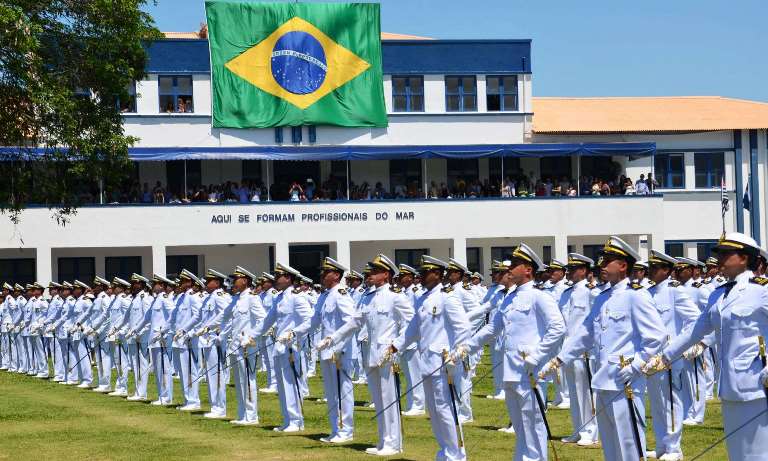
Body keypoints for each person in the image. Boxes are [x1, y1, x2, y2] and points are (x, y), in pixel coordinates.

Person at [540, 236, 667, 461]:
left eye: (608, 261)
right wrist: (559, 360)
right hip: (602, 379)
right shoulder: (602, 298)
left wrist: (637, 365)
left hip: (625, 381)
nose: (602, 266)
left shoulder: (635, 296)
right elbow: (585, 334)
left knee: (630, 445)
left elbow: (657, 336)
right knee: (610, 445)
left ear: (623, 265)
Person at [645, 232, 768, 460]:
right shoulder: (719, 294)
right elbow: (696, 329)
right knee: (737, 453)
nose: (720, 258)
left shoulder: (761, 290)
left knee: (758, 453)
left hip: (757, 385)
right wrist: (664, 357)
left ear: (744, 258)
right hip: (730, 386)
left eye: (725, 253)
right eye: (719, 253)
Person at [458, 244, 566, 461]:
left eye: (515, 265)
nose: (510, 269)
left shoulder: (539, 296)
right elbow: (492, 328)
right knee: (519, 423)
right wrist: (467, 346)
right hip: (511, 369)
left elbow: (558, 328)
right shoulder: (509, 297)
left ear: (528, 270)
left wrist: (537, 356)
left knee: (533, 421)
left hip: (529, 369)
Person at [388, 255, 472, 461]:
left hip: (443, 363)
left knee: (445, 409)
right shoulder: (423, 299)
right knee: (434, 412)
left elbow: (463, 328)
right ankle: (445, 450)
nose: (422, 276)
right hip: (427, 363)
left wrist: (457, 353)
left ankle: (456, 454)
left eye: (426, 273)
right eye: (422, 273)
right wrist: (396, 345)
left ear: (438, 274)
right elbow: (413, 329)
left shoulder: (448, 297)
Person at [330, 255, 412, 456]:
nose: (370, 275)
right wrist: (333, 337)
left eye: (375, 272)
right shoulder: (368, 297)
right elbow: (354, 322)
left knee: (389, 399)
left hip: (387, 354)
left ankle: (394, 443)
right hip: (372, 355)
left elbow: (411, 322)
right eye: (370, 272)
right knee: (379, 399)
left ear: (386, 274)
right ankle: (383, 441)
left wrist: (396, 345)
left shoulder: (396, 296)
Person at [644, 251, 700, 461]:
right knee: (657, 405)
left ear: (667, 270)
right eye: (650, 267)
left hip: (669, 358)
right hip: (651, 358)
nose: (650, 271)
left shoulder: (675, 291)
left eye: (655, 268)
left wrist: (677, 347)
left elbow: (694, 320)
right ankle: (661, 446)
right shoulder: (647, 292)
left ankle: (674, 449)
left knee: (671, 403)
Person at [252, 263, 313, 433]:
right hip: (279, 347)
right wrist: (252, 335)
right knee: (282, 384)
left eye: (279, 276)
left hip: (291, 347)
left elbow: (309, 320)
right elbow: (267, 321)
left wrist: (294, 333)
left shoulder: (297, 297)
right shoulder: (279, 298)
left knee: (292, 384)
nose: (276, 279)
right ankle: (287, 420)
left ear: (288, 278)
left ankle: (297, 420)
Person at [208, 266, 266, 425]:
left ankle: (251, 416)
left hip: (247, 346)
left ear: (245, 281)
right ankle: (242, 414)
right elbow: (223, 317)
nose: (233, 282)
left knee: (248, 379)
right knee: (239, 381)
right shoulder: (236, 299)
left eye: (236, 279)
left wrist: (251, 337)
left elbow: (263, 319)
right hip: (235, 345)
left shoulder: (252, 298)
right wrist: (207, 328)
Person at [312, 257, 358, 443]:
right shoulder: (324, 296)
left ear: (336, 275)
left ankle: (346, 430)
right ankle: (335, 429)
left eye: (326, 272)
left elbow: (351, 322)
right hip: (327, 351)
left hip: (340, 351)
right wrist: (294, 333)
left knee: (343, 391)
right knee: (331, 392)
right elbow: (314, 320)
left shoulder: (341, 294)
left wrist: (337, 344)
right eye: (322, 272)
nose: (322, 275)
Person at [558, 254, 599, 446]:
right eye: (569, 269)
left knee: (587, 392)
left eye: (574, 269)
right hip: (567, 350)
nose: (570, 272)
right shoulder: (566, 293)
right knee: (574, 393)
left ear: (584, 271)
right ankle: (578, 429)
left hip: (584, 351)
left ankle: (590, 431)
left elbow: (596, 321)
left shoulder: (591, 291)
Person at [191, 269, 232, 419]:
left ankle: (220, 407)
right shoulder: (209, 298)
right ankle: (215, 406)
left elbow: (227, 316)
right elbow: (199, 318)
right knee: (211, 375)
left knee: (217, 374)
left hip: (215, 340)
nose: (206, 284)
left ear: (217, 283)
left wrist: (221, 335)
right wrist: (187, 331)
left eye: (209, 281)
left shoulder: (220, 297)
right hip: (207, 340)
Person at [170, 269, 204, 411]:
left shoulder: (192, 297)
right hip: (179, 339)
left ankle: (194, 400)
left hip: (188, 339)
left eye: (184, 281)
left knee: (190, 370)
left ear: (190, 283)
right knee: (183, 371)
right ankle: (187, 399)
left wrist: (184, 330)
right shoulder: (181, 298)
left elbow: (197, 316)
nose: (181, 284)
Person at [395, 264, 426, 416]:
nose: (400, 279)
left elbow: (418, 316)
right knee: (408, 373)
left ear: (410, 277)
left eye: (403, 276)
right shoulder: (403, 293)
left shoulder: (416, 292)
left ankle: (418, 405)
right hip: (404, 338)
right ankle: (411, 403)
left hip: (413, 339)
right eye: (399, 276)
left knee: (415, 373)